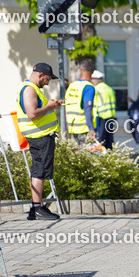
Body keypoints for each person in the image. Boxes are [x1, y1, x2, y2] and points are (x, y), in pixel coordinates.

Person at [17, 63, 64, 220]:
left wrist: (52, 105)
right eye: (47, 79)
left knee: (39, 170)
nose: (47, 82)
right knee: (40, 171)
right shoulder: (30, 89)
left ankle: (35, 207)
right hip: (40, 137)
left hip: (41, 136)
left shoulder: (32, 89)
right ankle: (38, 207)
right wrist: (50, 107)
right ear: (40, 74)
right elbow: (32, 113)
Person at [64, 59, 97, 142]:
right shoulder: (88, 87)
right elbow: (87, 108)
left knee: (77, 153)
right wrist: (91, 128)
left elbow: (66, 106)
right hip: (84, 129)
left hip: (72, 127)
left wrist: (67, 124)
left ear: (80, 70)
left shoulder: (72, 86)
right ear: (92, 72)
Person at [92, 70, 116, 149]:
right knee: (110, 141)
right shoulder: (109, 89)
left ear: (95, 79)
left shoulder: (95, 89)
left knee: (101, 141)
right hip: (111, 118)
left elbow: (94, 104)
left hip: (101, 118)